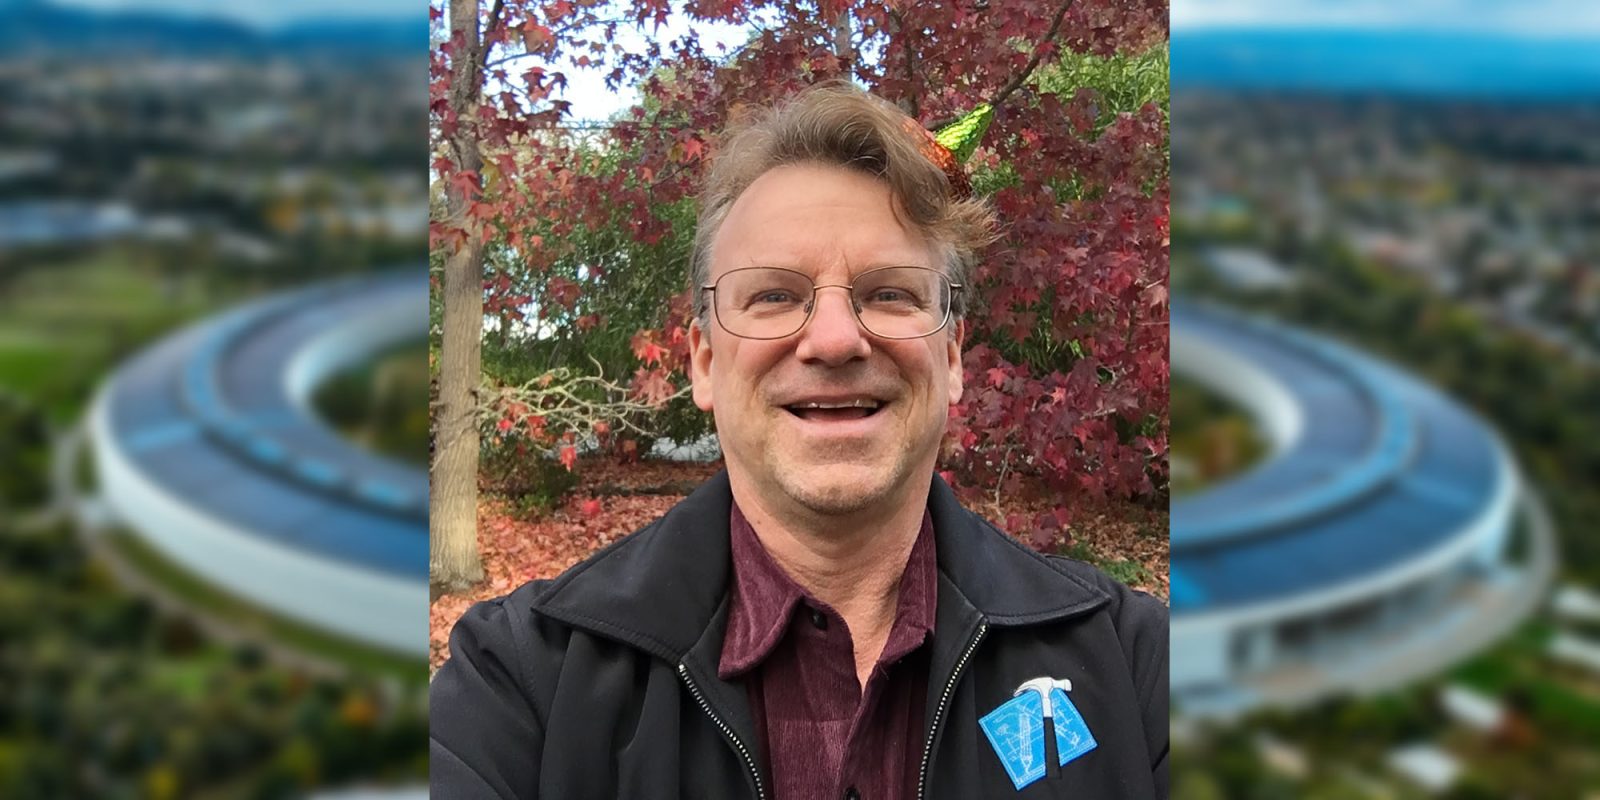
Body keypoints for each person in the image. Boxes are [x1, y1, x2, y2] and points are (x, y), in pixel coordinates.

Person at [430, 82, 1168, 799]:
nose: (837, 339)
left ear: (950, 358)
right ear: (706, 362)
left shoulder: (1138, 671)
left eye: (890, 293)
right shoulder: (521, 683)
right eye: (776, 295)